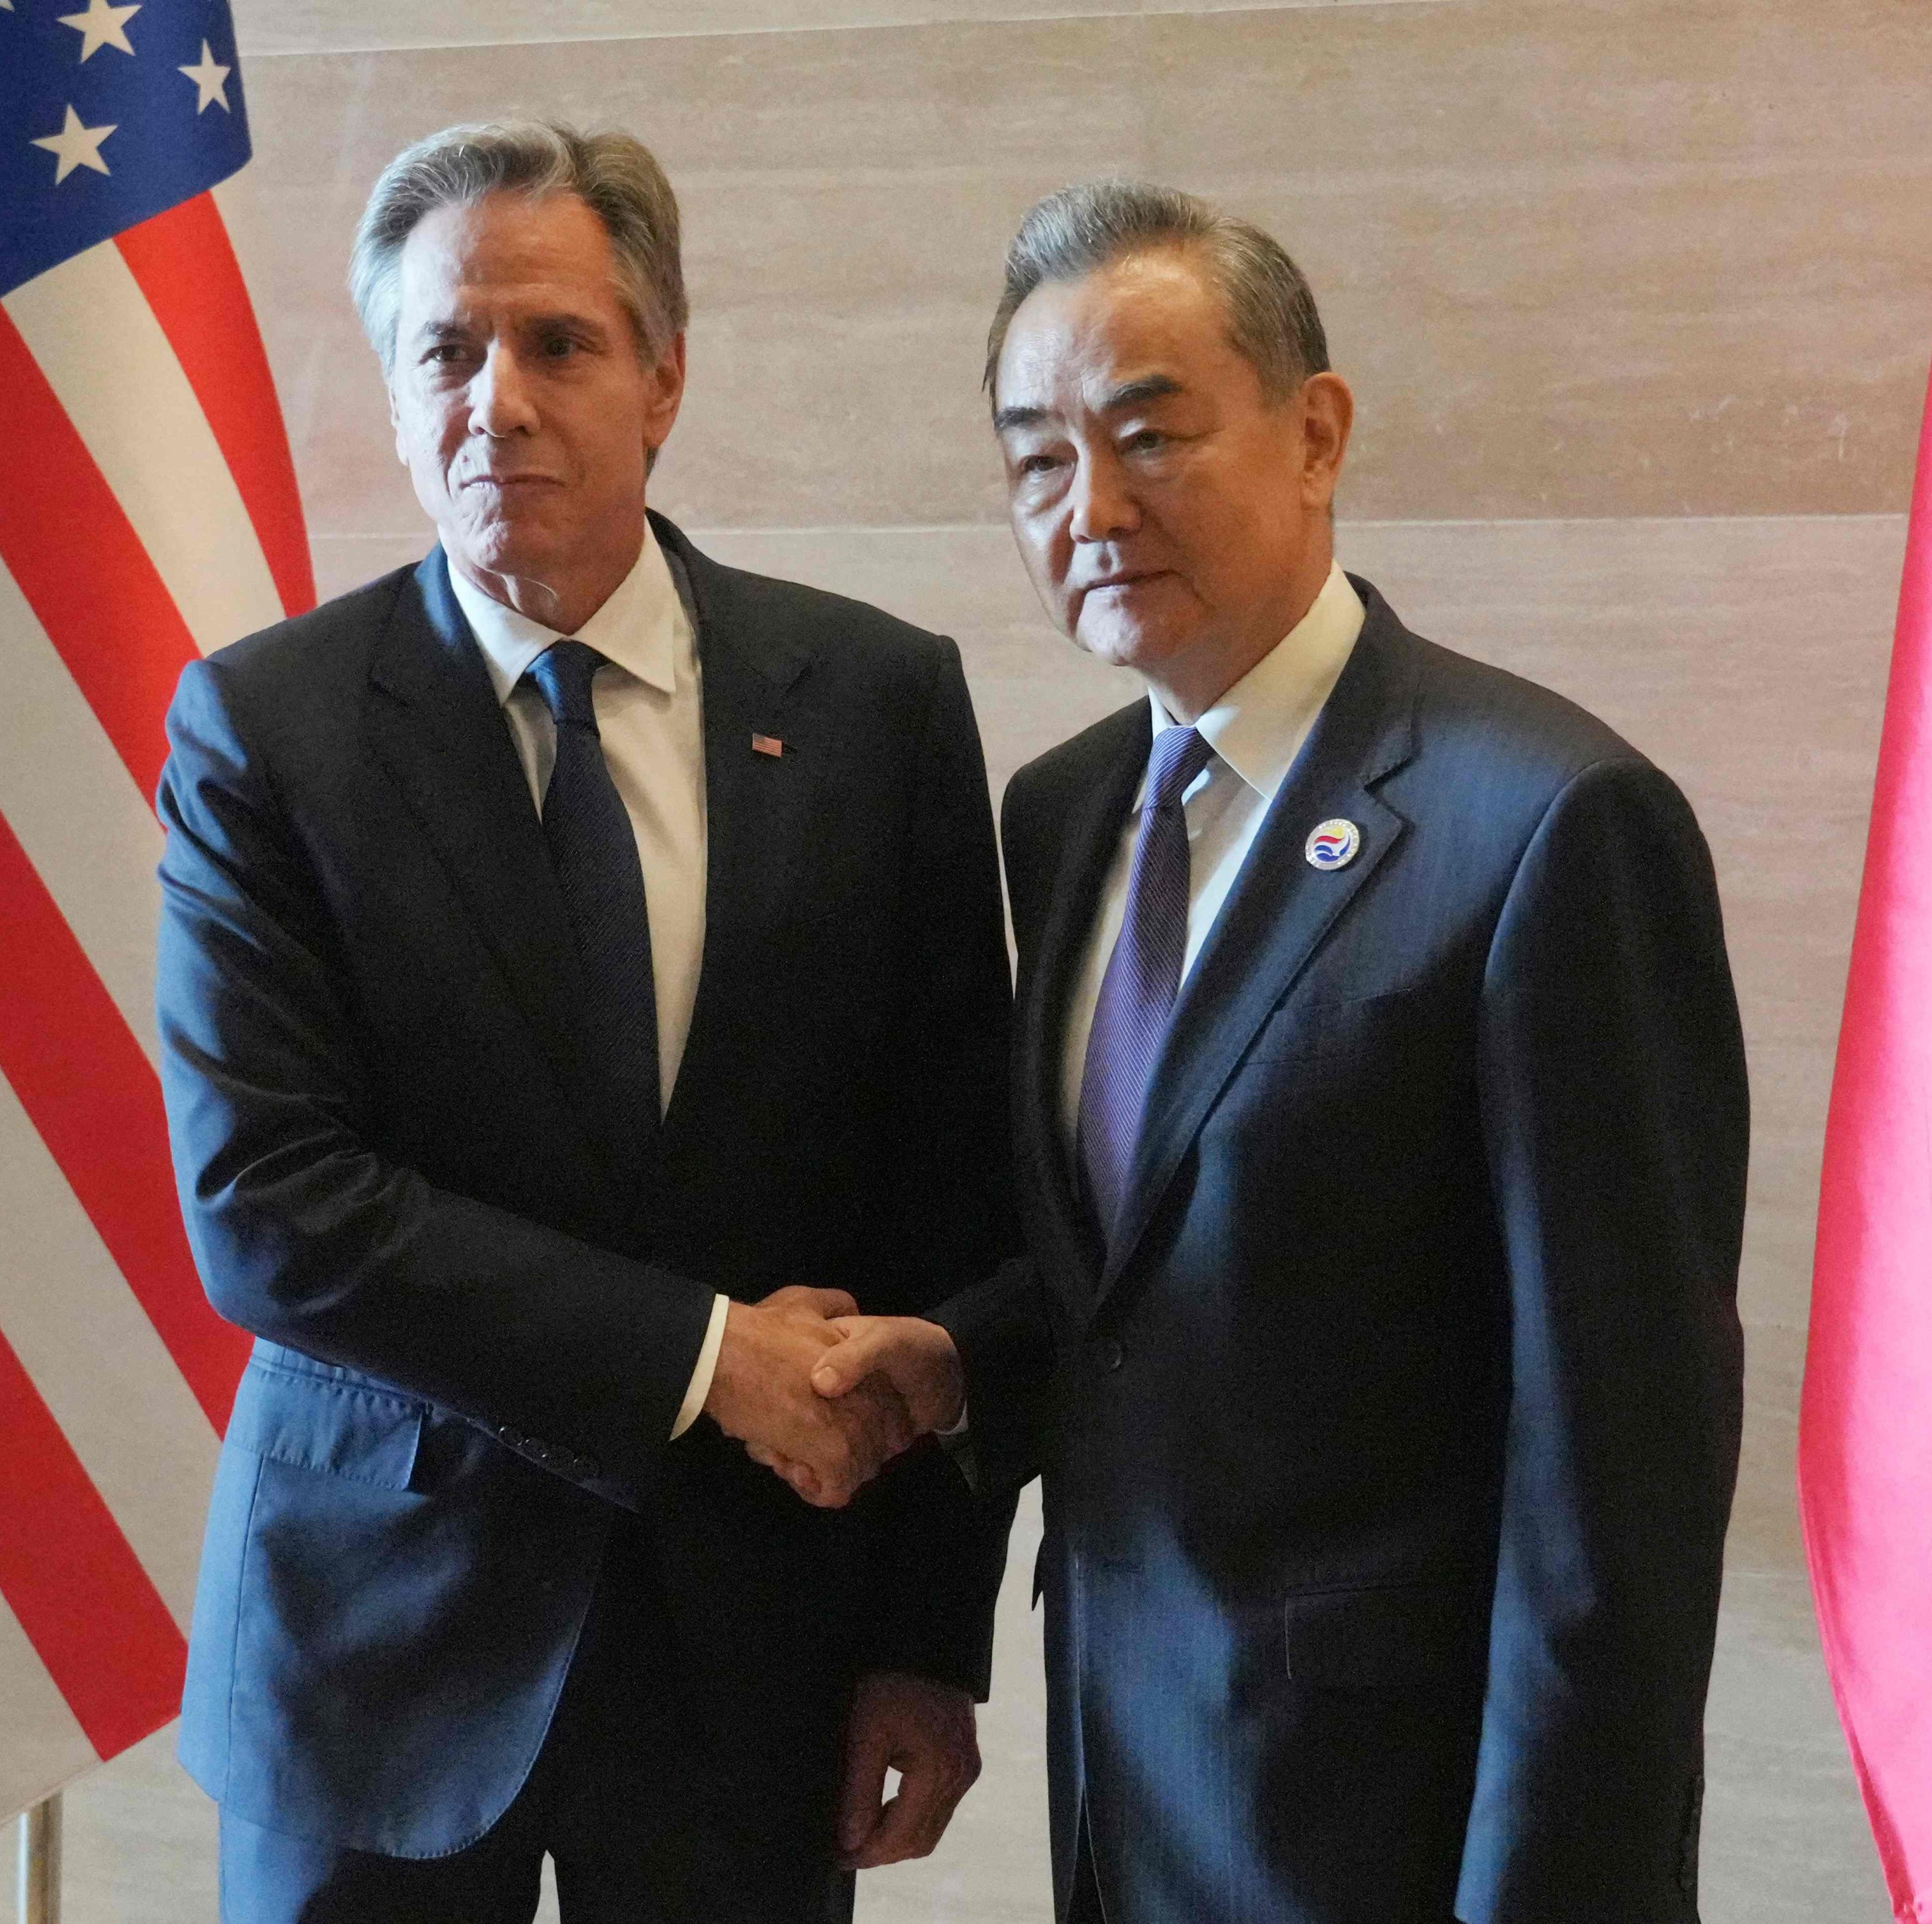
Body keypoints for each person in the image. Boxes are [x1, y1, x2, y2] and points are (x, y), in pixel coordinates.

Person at [804, 181, 1750, 1923]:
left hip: (1406, 1826)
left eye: (1148, 433)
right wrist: (962, 1361)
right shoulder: (1065, 811)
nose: (1089, 508)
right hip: (1133, 1793)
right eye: (1033, 461)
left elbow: (1617, 1479)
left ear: (1314, 433)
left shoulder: (1540, 825)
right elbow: (1143, 1271)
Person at [154, 121, 1015, 1923]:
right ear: (395, 403)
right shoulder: (267, 728)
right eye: (445, 353)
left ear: (662, 378)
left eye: (557, 344)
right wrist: (710, 1355)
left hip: (750, 1655)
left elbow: (949, 1200)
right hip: (373, 1651)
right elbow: (270, 1206)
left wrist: (929, 1641)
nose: (499, 402)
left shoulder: (875, 704)